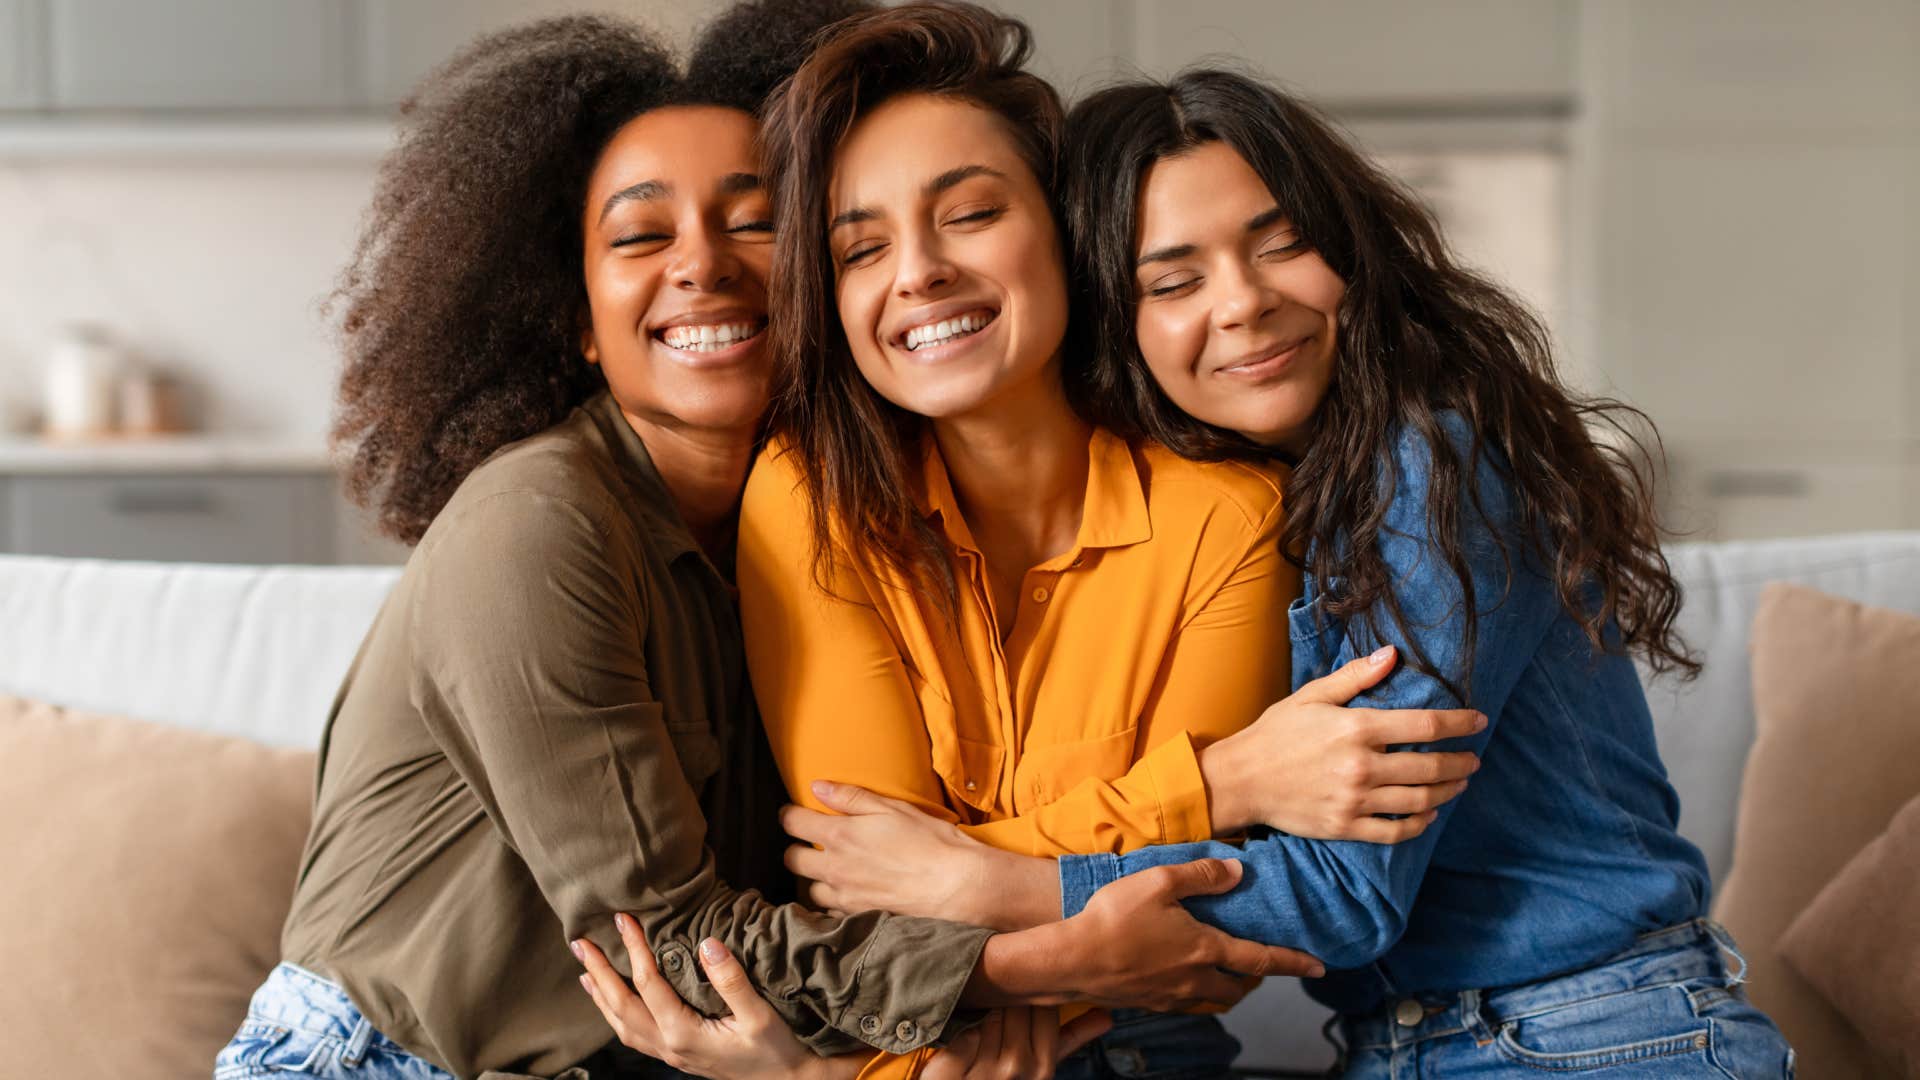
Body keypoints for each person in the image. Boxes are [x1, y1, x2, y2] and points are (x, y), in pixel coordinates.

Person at [214, 12, 1317, 1080]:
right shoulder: (537, 523)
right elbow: (666, 937)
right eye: (643, 236)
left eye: (754, 223)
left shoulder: (787, 515)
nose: (703, 266)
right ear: (574, 325)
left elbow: (833, 898)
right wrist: (1036, 959)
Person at [768, 68, 1797, 1078]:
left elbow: (1344, 896)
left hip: (1597, 1036)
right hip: (1428, 1046)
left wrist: (998, 886)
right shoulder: (1277, 500)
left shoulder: (1431, 465)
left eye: (1282, 245)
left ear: (1352, 255)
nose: (1244, 303)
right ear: (1115, 323)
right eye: (1173, 281)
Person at [575, 6, 1481, 1079]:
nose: (916, 273)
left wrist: (964, 875)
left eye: (969, 214)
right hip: (900, 1054)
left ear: (1063, 232)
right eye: (862, 247)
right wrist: (1218, 782)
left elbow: (1204, 941)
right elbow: (873, 902)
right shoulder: (811, 495)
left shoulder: (1228, 515)